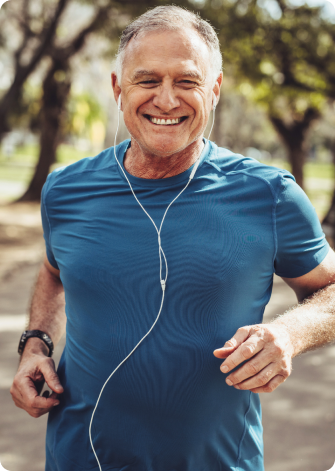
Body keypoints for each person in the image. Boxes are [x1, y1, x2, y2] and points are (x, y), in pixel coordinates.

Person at [10, 5, 335, 471]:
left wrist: (288, 334)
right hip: (77, 459)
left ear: (215, 90)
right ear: (118, 88)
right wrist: (36, 345)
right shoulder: (65, 190)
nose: (166, 100)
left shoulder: (270, 194)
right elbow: (54, 269)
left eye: (187, 82)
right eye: (147, 81)